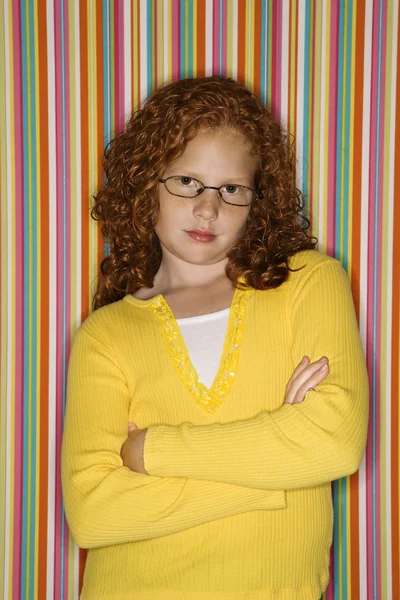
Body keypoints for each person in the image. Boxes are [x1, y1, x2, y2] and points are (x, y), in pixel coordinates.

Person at [61, 76, 369, 599]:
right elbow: (92, 513)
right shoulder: (105, 334)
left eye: (231, 189)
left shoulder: (309, 282)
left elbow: (335, 443)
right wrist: (276, 471)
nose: (208, 209)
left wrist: (149, 450)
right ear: (146, 184)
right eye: (186, 181)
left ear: (256, 199)